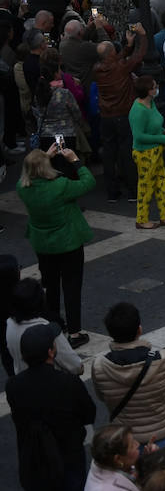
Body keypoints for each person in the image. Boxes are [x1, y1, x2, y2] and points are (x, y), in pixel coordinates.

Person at [6, 322, 97, 491]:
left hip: (33, 462)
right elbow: (88, 413)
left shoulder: (14, 386)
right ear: (50, 351)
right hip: (68, 462)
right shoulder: (68, 383)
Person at [17, 144, 95, 347]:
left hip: (42, 244)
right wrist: (75, 160)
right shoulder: (60, 185)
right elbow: (88, 182)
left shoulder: (23, 187)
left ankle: (54, 324)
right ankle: (76, 333)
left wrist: (44, 157)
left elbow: (28, 173)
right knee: (71, 286)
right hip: (68, 243)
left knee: (50, 285)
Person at [90, 302, 165, 451]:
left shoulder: (99, 366)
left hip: (127, 439)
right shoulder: (163, 359)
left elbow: (102, 396)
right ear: (139, 329)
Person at [91, 24, 147, 203]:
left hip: (106, 116)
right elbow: (138, 57)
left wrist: (128, 46)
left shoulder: (97, 69)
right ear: (111, 54)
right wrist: (142, 36)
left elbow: (118, 59)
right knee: (127, 153)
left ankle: (112, 193)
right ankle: (133, 190)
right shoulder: (121, 67)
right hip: (123, 115)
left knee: (109, 153)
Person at [128, 75, 165, 230]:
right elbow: (139, 136)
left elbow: (154, 124)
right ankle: (141, 219)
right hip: (145, 154)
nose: (157, 89)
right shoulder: (139, 111)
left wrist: (163, 131)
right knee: (146, 186)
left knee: (161, 184)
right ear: (148, 91)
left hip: (156, 152)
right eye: (154, 87)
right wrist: (162, 139)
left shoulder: (151, 103)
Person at [83, 424, 142, 491]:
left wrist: (148, 464)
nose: (138, 444)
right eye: (132, 445)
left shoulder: (103, 463)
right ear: (118, 459)